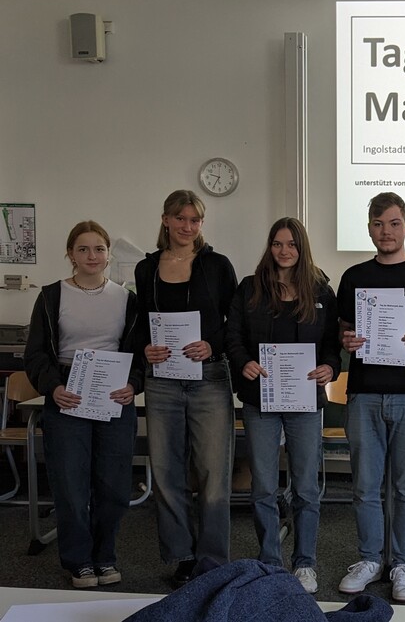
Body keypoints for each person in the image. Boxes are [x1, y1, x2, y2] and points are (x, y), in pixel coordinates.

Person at [24, 220, 143, 588]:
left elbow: (141, 354)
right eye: (83, 249)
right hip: (67, 393)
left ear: (108, 255)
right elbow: (36, 354)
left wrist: (133, 385)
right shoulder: (51, 296)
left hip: (113, 395)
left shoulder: (127, 299)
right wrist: (53, 387)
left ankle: (104, 557)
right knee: (71, 484)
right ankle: (79, 562)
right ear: (70, 255)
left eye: (99, 249)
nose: (92, 255)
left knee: (114, 485)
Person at [226, 217, 340, 594]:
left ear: (301, 247)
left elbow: (331, 345)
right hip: (260, 398)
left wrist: (330, 367)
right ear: (269, 246)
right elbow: (233, 336)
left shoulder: (321, 291)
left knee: (305, 486)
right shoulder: (249, 288)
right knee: (263, 485)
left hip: (305, 400)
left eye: (291, 244)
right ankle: (270, 561)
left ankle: (304, 563)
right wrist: (243, 362)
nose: (284, 250)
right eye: (277, 243)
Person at [335, 193, 405, 603]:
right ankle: (369, 559)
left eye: (394, 223)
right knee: (364, 486)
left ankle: (403, 565)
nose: (386, 231)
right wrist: (347, 339)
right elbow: (344, 329)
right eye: (378, 224)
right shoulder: (354, 276)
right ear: (369, 228)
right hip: (363, 394)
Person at [135, 190, 238, 586]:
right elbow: (141, 323)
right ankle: (182, 556)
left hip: (209, 378)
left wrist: (213, 344)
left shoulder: (217, 265)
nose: (187, 226)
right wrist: (145, 347)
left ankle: (211, 561)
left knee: (214, 475)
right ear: (165, 220)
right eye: (180, 218)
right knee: (166, 472)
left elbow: (235, 322)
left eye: (195, 220)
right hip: (161, 380)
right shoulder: (146, 269)